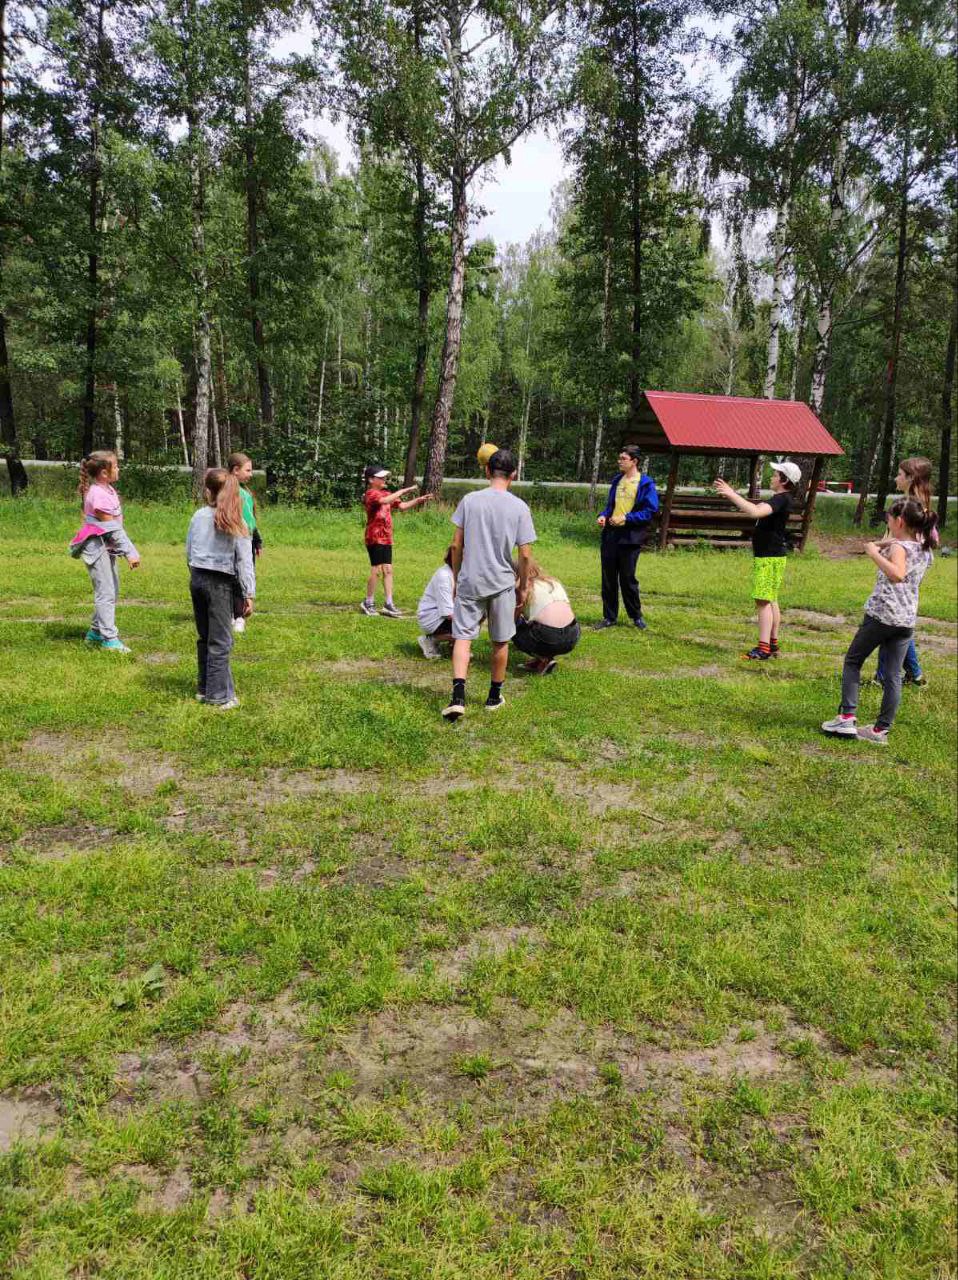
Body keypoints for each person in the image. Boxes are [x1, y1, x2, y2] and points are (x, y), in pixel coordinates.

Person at [821, 498, 936, 745]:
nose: (887, 522)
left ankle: (846, 718)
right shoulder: (923, 547)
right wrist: (879, 544)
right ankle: (880, 731)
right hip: (906, 620)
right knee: (893, 675)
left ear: (899, 521)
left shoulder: (899, 549)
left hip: (883, 616)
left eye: (889, 519)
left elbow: (897, 574)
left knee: (853, 661)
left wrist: (874, 553)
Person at [443, 448, 536, 720]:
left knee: (463, 637)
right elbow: (525, 554)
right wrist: (523, 587)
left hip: (471, 580)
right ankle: (494, 697)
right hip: (502, 583)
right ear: (513, 475)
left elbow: (455, 545)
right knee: (500, 640)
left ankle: (458, 697)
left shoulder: (470, 500)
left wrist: (457, 577)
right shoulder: (520, 507)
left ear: (487, 470)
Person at [714, 459, 799, 659]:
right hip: (773, 556)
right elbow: (757, 506)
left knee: (762, 601)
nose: (772, 477)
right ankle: (772, 643)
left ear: (784, 480)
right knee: (771, 599)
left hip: (768, 558)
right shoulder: (781, 499)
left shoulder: (780, 499)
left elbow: (755, 512)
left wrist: (731, 494)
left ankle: (763, 649)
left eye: (776, 475)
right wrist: (739, 498)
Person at [186, 468, 255, 710]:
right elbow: (244, 563)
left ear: (208, 491)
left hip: (197, 578)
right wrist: (248, 594)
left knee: (205, 637)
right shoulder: (237, 522)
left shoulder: (198, 516)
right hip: (220, 584)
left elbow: (189, 550)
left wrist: (195, 575)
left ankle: (204, 687)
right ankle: (218, 696)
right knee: (221, 641)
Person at [874, 457, 936, 688]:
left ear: (911, 478)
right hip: (905, 565)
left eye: (900, 474)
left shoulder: (912, 505)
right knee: (898, 619)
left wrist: (879, 548)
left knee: (890, 618)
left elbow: (908, 540)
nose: (896, 478)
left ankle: (885, 676)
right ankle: (913, 674)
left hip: (903, 566)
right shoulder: (918, 501)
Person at [70, 450, 140, 653]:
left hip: (107, 547)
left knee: (112, 591)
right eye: (115, 466)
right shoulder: (98, 495)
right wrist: (130, 552)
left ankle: (95, 632)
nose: (118, 469)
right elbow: (113, 529)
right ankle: (109, 639)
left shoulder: (107, 490)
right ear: (103, 473)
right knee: (106, 593)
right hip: (97, 548)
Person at [593, 445, 659, 632]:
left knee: (628, 579)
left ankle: (636, 617)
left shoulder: (645, 484)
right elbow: (610, 506)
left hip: (630, 537)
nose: (619, 461)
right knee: (608, 578)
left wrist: (627, 518)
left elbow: (650, 511)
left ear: (634, 461)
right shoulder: (617, 480)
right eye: (619, 458)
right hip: (611, 535)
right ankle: (609, 617)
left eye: (623, 458)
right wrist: (603, 515)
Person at [360, 465, 432, 617]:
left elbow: (402, 506)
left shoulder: (386, 493)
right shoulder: (371, 494)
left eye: (384, 477)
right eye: (380, 477)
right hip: (374, 537)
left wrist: (418, 500)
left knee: (388, 570)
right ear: (371, 480)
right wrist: (404, 490)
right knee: (376, 569)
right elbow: (384, 500)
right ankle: (368, 602)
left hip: (386, 538)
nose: (384, 479)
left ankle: (388, 604)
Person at [512, 555, 580, 675]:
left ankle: (544, 658)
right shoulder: (553, 582)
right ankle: (543, 657)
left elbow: (513, 618)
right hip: (573, 635)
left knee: (511, 627)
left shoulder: (523, 589)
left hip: (548, 637)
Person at [228, 452, 262, 634]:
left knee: (241, 576)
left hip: (246, 540)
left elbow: (250, 520)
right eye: (248, 470)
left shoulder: (245, 492)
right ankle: (235, 615)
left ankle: (238, 615)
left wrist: (256, 540)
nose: (251, 474)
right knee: (235, 577)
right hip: (233, 541)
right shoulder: (229, 492)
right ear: (235, 470)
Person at [417, 547, 456, 659]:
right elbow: (447, 613)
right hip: (433, 617)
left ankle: (454, 645)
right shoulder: (444, 576)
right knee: (468, 626)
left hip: (448, 613)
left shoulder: (461, 573)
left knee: (476, 617)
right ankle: (430, 640)